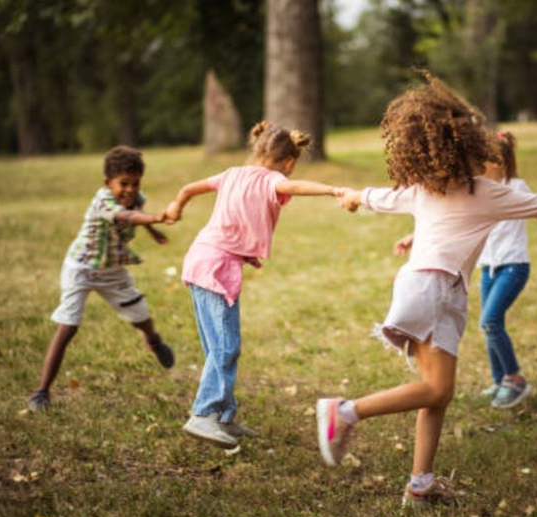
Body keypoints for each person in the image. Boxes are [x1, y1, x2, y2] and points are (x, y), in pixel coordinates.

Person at [315, 71, 537, 508]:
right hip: (435, 288)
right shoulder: (486, 193)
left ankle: (420, 483)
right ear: (467, 145)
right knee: (436, 390)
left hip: (428, 287)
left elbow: (378, 197)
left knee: (438, 392)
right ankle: (345, 411)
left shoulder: (426, 189)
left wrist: (355, 196)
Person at [165, 121, 345, 450]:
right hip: (216, 267)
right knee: (225, 348)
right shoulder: (273, 179)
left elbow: (190, 188)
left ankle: (223, 417)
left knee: (216, 347)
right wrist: (333, 190)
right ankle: (203, 414)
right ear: (289, 162)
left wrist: (177, 205)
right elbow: (298, 187)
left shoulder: (232, 173)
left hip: (201, 260)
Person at [394, 130, 537, 410]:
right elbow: (453, 221)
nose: (473, 166)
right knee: (490, 324)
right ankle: (499, 380)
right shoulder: (474, 191)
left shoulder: (515, 187)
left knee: (489, 321)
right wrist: (413, 237)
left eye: (481, 160)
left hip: (513, 266)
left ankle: (515, 379)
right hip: (488, 268)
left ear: (498, 162)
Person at [29, 145, 174, 410]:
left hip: (113, 270)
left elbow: (135, 210)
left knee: (141, 316)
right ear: (108, 183)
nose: (130, 190)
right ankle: (41, 391)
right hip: (81, 269)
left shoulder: (137, 198)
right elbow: (125, 216)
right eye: (123, 184)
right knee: (68, 326)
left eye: (135, 183)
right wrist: (156, 218)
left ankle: (154, 340)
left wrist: (153, 231)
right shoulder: (103, 201)